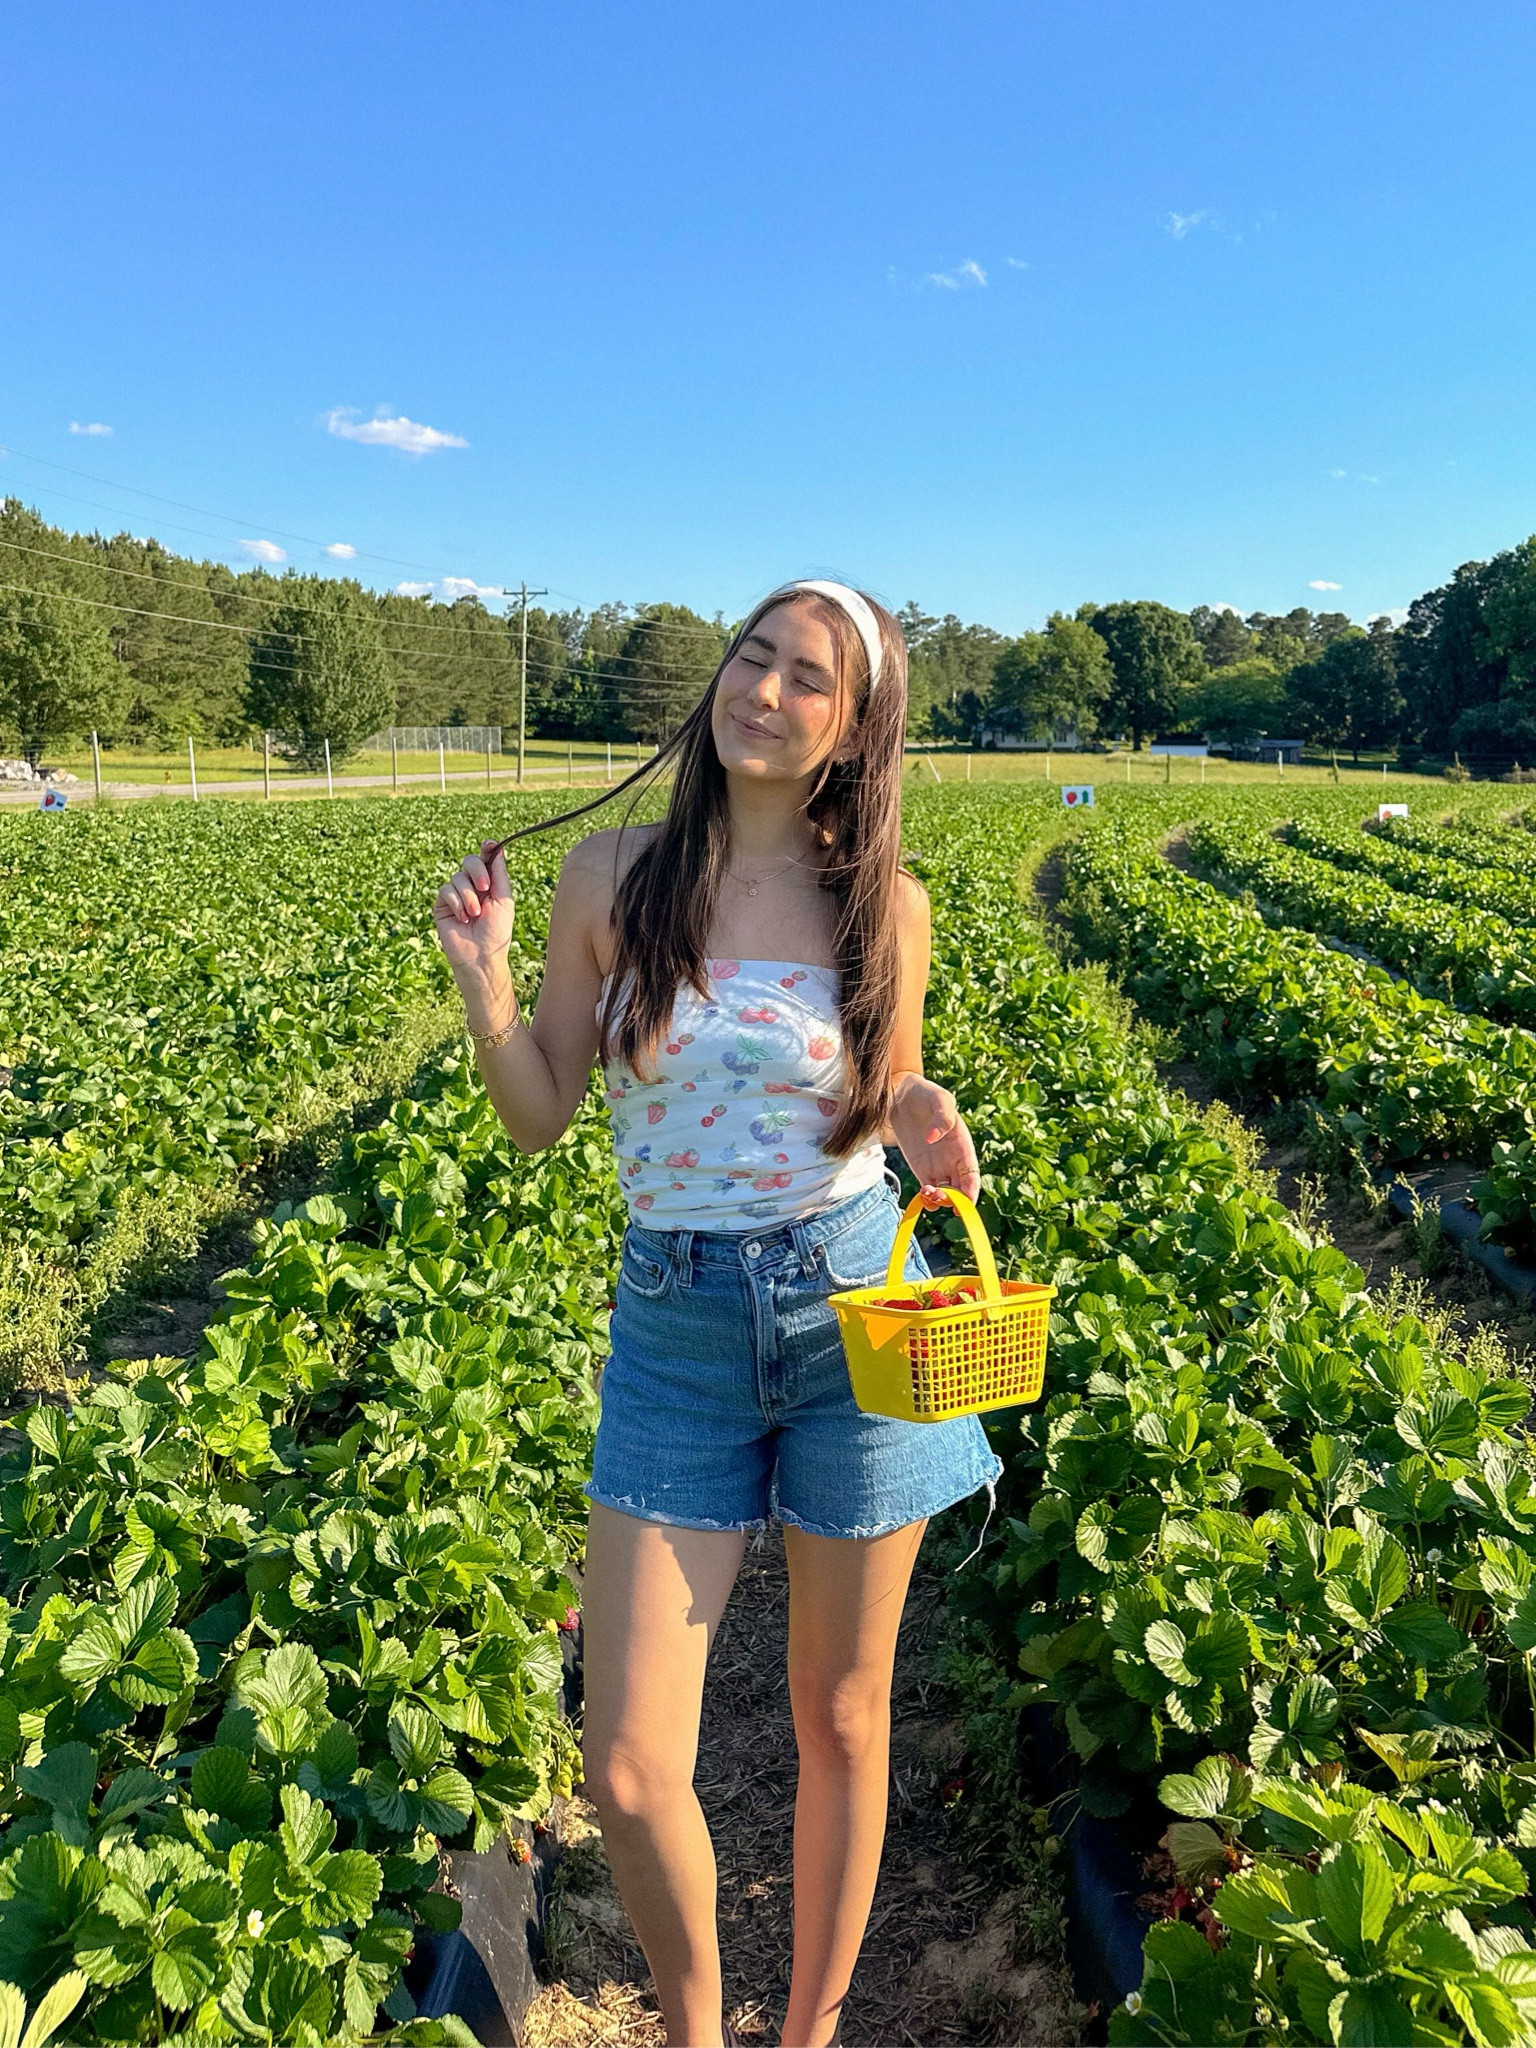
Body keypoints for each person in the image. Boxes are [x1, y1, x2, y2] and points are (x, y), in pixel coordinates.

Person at [431, 580, 1000, 2048]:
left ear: (855, 727)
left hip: (852, 1315)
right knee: (623, 1763)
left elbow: (887, 1091)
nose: (764, 688)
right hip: (675, 1327)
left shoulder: (886, 903)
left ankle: (803, 2036)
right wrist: (486, 986)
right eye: (753, 655)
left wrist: (927, 1111)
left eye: (809, 677)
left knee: (842, 1716)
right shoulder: (611, 878)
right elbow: (542, 1113)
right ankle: (696, 2031)